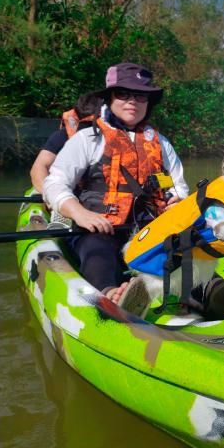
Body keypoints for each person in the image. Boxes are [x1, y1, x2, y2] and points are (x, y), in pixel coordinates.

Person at [43, 63, 190, 305]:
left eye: (140, 95)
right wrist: (79, 213)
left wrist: (178, 201)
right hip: (100, 228)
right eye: (124, 94)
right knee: (96, 249)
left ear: (148, 103)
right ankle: (112, 294)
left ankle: (211, 291)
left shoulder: (161, 143)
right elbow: (55, 182)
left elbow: (177, 185)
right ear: (110, 98)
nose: (133, 101)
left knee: (182, 248)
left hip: (147, 229)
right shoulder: (87, 138)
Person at [29, 93, 103, 194]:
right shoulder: (62, 135)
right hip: (70, 194)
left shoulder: (122, 136)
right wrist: (51, 197)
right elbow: (39, 167)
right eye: (87, 124)